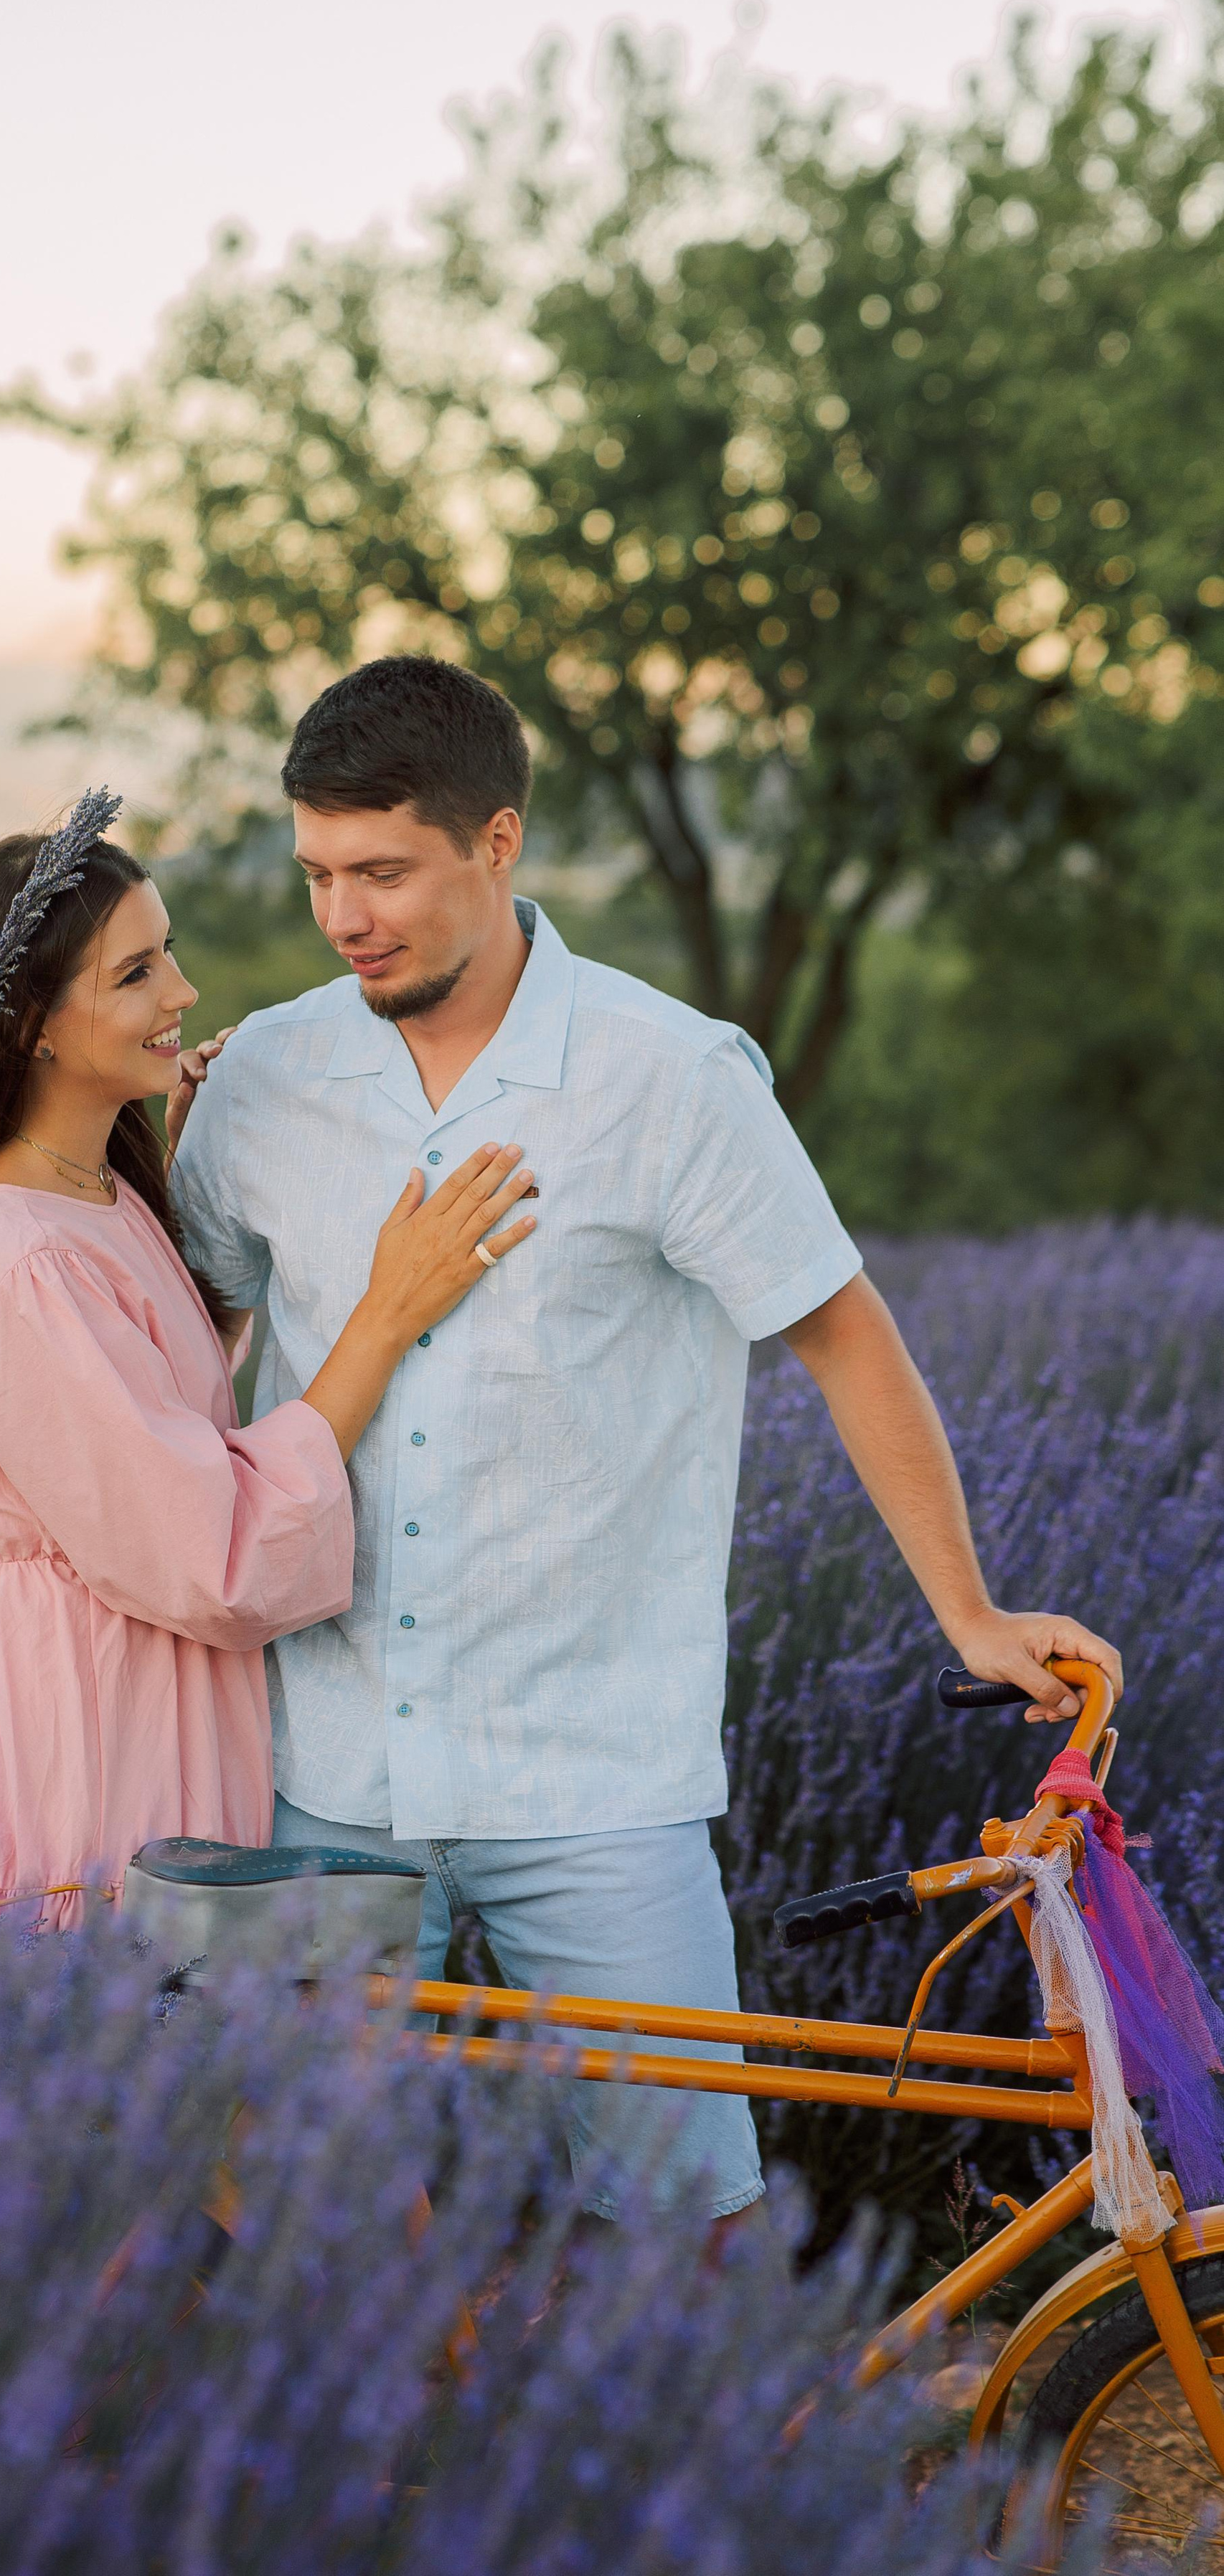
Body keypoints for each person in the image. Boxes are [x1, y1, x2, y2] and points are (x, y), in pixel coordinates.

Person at [167, 657, 1123, 2227]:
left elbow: (840, 1334)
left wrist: (965, 1609)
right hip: (319, 1767)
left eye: (385, 870)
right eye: (318, 874)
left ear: (496, 843)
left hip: (591, 1775)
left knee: (683, 2229)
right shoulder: (265, 1073)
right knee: (294, 2227)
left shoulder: (668, 1077)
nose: (345, 916)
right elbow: (187, 1331)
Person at [0, 787, 535, 1922]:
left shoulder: (96, 1194)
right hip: (75, 1712)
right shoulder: (16, 1257)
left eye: (167, 954)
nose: (182, 994)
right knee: (93, 2058)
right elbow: (205, 1549)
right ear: (33, 1026)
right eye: (134, 975)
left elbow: (149, 1414)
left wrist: (181, 1174)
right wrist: (389, 1309)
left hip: (139, 1679)